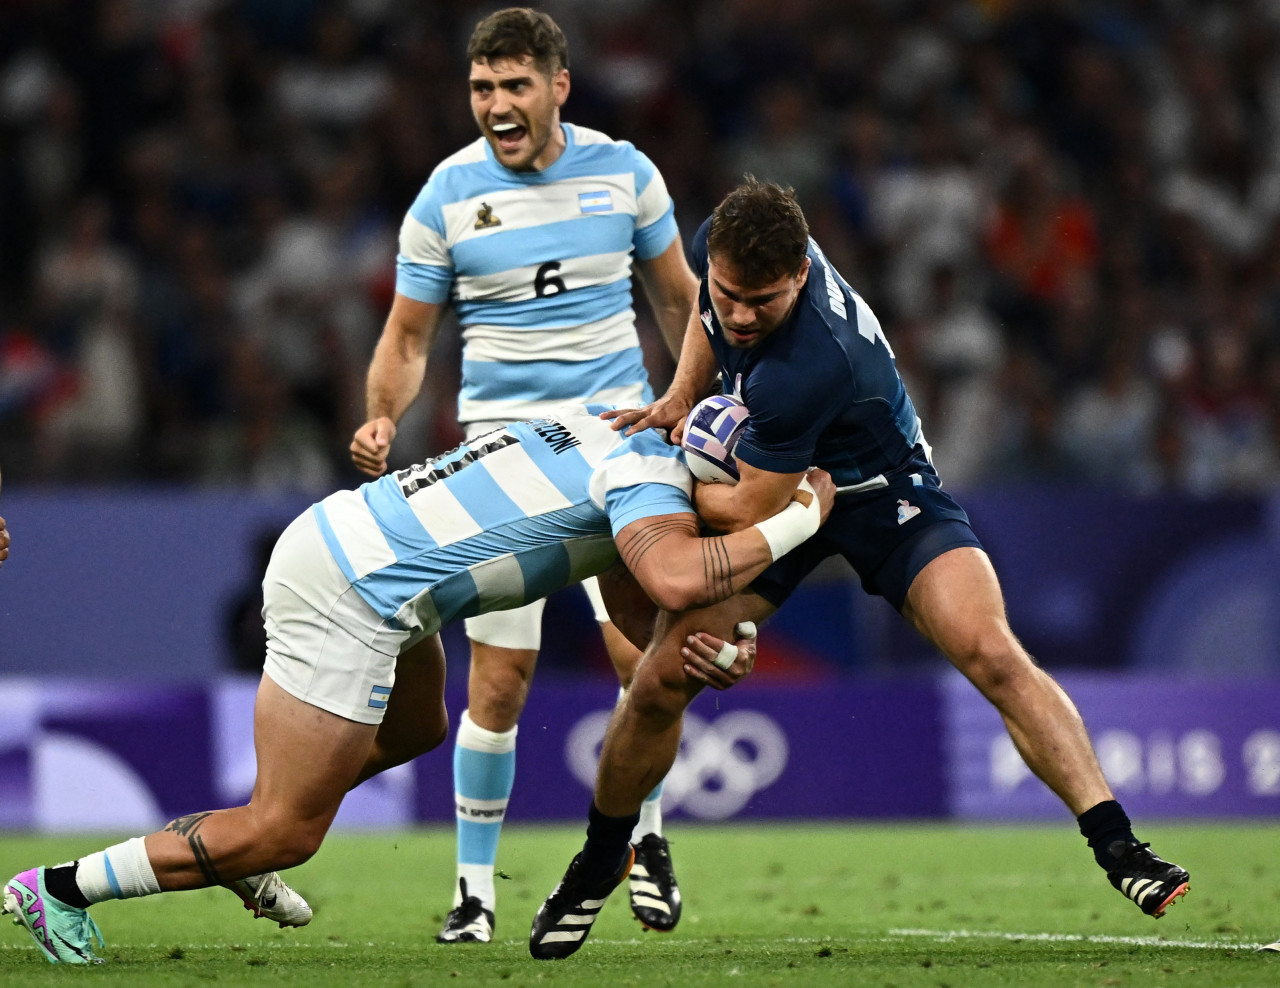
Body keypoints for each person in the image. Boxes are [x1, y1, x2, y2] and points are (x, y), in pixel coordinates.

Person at [527, 179, 1190, 960]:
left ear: (801, 273)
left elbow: (749, 512)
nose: (740, 315)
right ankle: (604, 857)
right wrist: (681, 394)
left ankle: (1119, 846)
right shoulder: (724, 245)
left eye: (761, 303)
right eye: (731, 293)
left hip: (881, 492)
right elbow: (708, 318)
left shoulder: (811, 363)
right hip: (783, 479)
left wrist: (671, 468)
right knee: (660, 679)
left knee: (991, 652)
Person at [2, 403, 834, 965]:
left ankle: (234, 838)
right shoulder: (650, 485)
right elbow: (679, 581)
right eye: (752, 489)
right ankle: (56, 889)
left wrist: (701, 656)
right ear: (713, 472)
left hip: (362, 553)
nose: (755, 506)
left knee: (416, 730)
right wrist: (801, 519)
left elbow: (644, 603)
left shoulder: (611, 429)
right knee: (285, 833)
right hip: (352, 590)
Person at [347, 7, 700, 944]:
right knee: (498, 683)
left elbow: (679, 302)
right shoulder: (445, 195)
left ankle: (647, 844)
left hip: (619, 437)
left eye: (513, 86)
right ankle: (474, 894)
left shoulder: (625, 173)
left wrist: (696, 405)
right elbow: (409, 337)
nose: (496, 105)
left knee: (642, 658)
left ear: (558, 87)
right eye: (481, 88)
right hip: (501, 456)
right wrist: (384, 409)